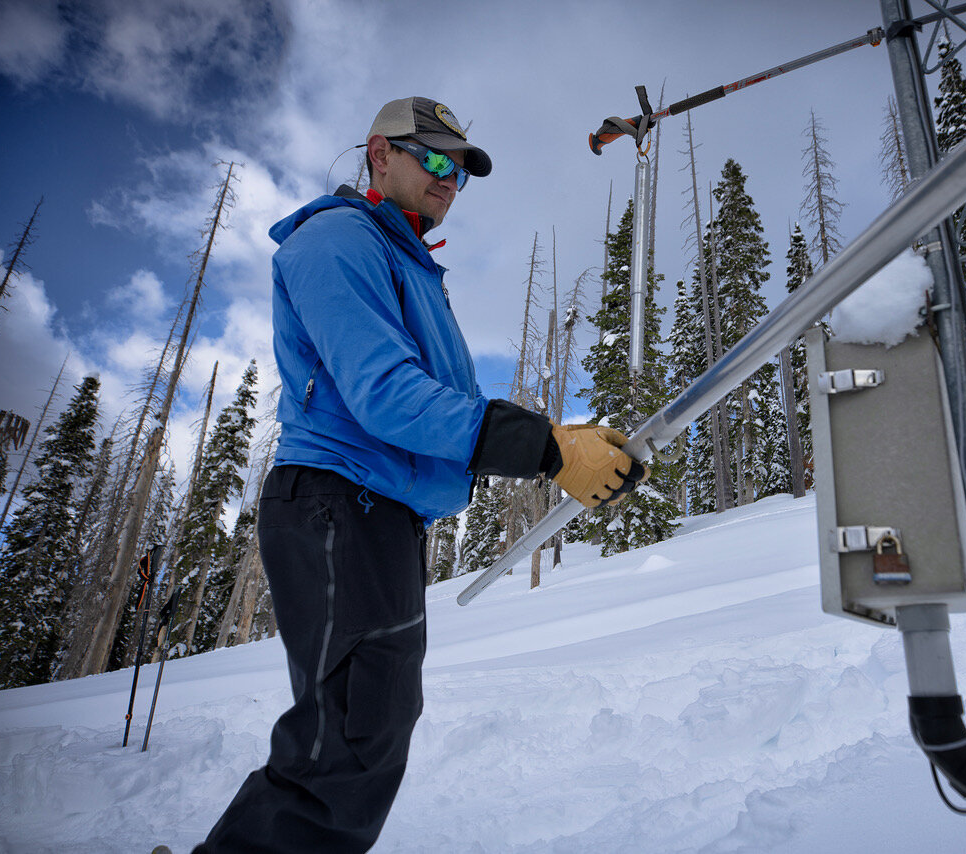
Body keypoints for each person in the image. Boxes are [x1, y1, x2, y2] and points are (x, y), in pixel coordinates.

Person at [191, 96, 645, 854]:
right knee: (345, 745)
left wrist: (560, 441)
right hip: (341, 502)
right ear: (379, 154)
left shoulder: (405, 260)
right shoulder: (337, 241)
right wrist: (544, 449)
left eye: (461, 170)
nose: (449, 179)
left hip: (379, 513)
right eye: (433, 159)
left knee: (365, 733)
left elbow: (438, 407)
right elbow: (385, 394)